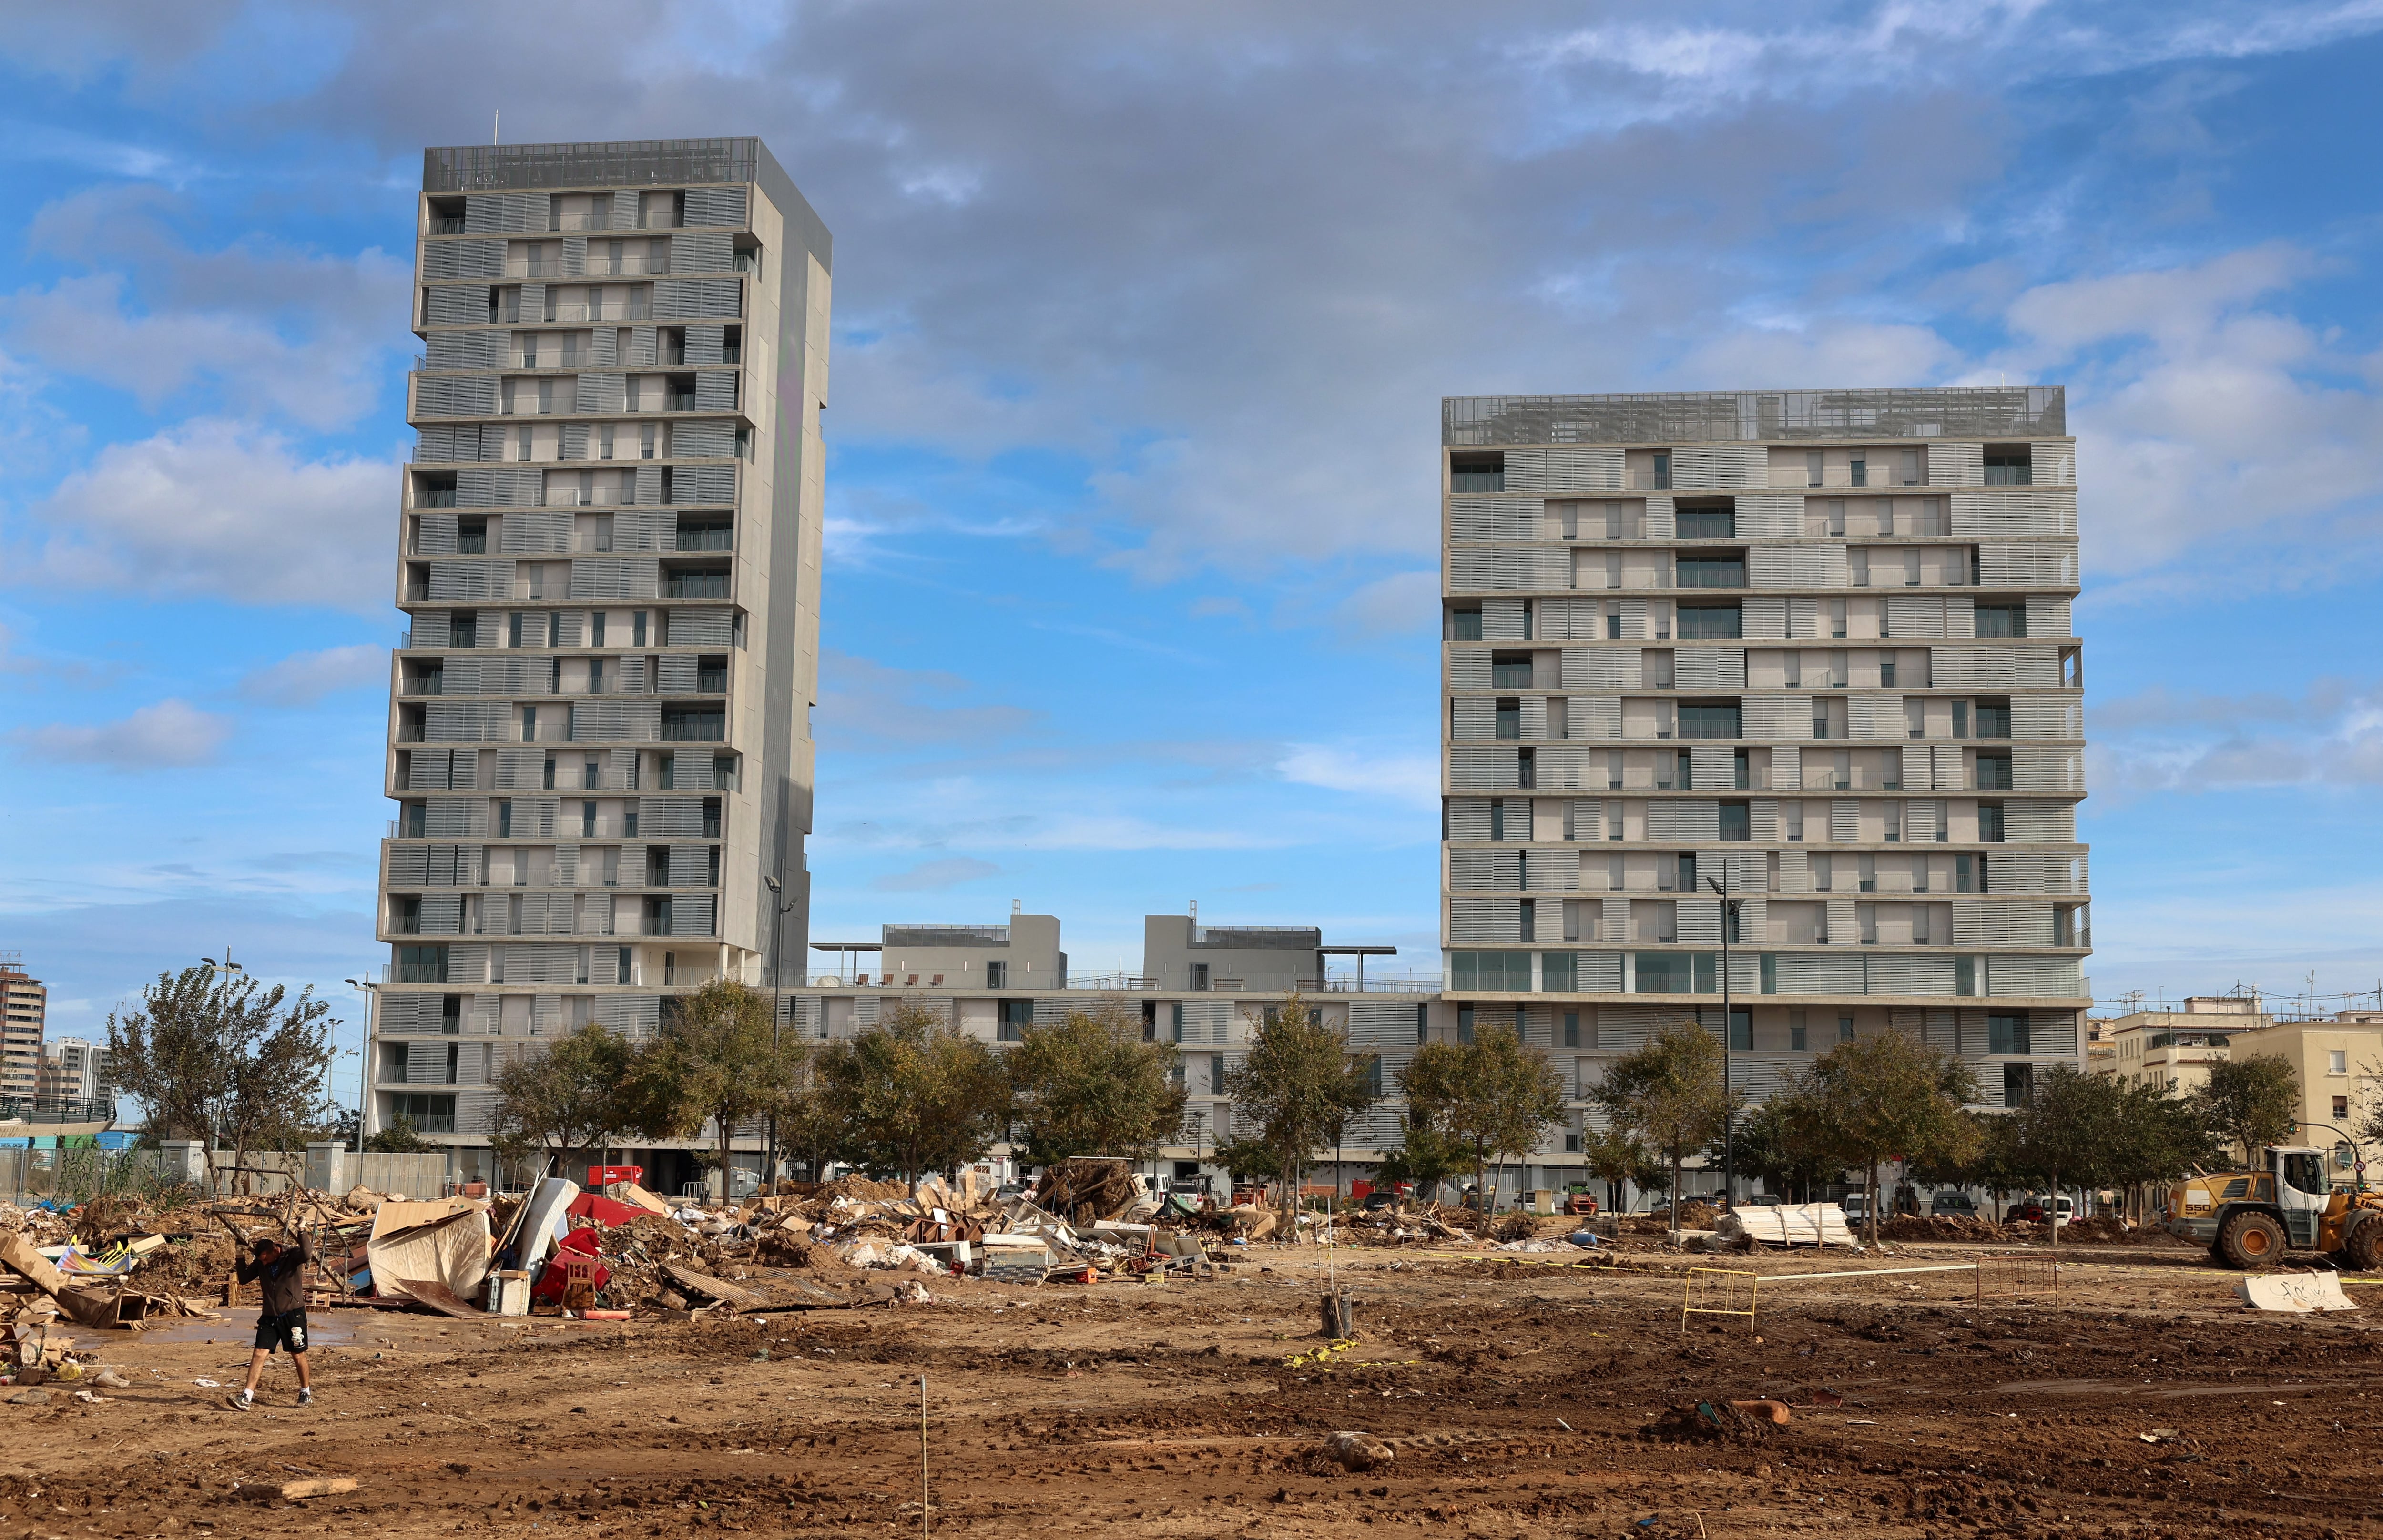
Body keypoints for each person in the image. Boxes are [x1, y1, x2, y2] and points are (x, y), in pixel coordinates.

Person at [232, 1233, 315, 1410]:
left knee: (297, 1354)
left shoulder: (291, 1257)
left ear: (275, 1252)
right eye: (261, 1260)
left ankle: (305, 1393)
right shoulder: (263, 1262)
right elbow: (244, 1278)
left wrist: (302, 1232)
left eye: (265, 1259)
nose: (263, 1263)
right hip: (270, 1316)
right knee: (259, 1353)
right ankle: (246, 1397)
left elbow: (308, 1254)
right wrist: (239, 1255)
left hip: (293, 1315)